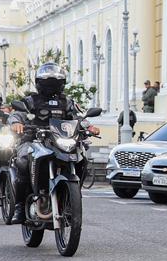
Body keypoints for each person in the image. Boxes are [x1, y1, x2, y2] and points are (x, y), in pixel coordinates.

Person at [8, 63, 100, 218]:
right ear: (39, 83)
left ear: (61, 84)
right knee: (22, 163)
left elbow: (78, 117)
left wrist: (88, 126)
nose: (50, 86)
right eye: (47, 83)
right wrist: (16, 123)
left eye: (54, 83)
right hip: (34, 141)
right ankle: (19, 205)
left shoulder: (68, 102)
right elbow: (17, 114)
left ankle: (73, 195)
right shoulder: (30, 101)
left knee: (81, 159)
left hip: (60, 141)